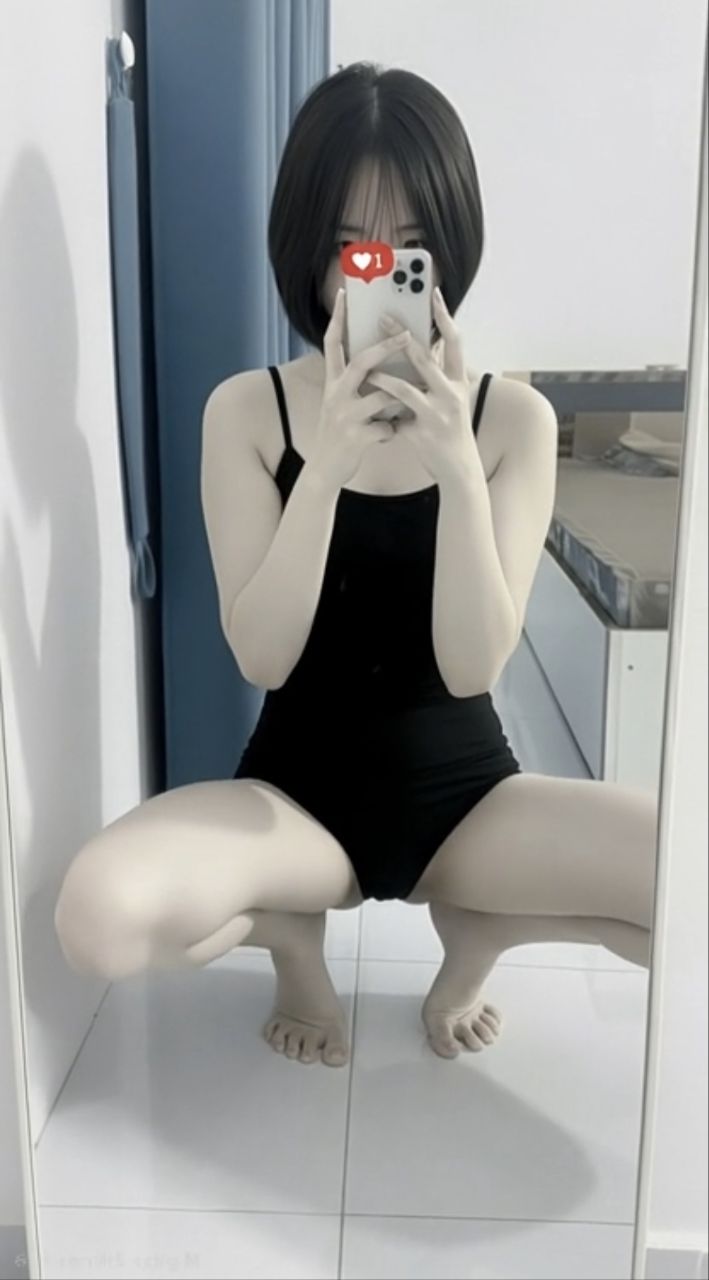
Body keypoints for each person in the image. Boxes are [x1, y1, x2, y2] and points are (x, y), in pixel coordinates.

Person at [55, 63, 657, 1068]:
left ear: (446, 252)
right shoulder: (247, 412)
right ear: (311, 250)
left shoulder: (513, 420)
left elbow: (471, 666)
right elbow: (262, 656)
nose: (375, 278)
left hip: (470, 803)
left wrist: (456, 469)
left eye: (407, 249)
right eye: (353, 248)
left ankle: (481, 928)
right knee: (97, 920)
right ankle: (294, 938)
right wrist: (326, 463)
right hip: (294, 801)